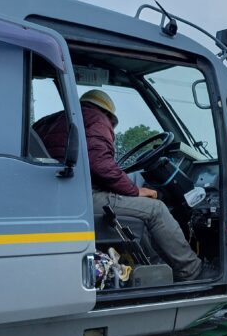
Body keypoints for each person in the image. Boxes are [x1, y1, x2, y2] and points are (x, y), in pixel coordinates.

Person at [34, 89, 205, 282]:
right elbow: (100, 164)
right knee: (156, 209)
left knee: (141, 213)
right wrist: (135, 190)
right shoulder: (95, 118)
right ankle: (192, 271)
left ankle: (156, 269)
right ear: (109, 114)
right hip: (80, 198)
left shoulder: (50, 121)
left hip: (55, 197)